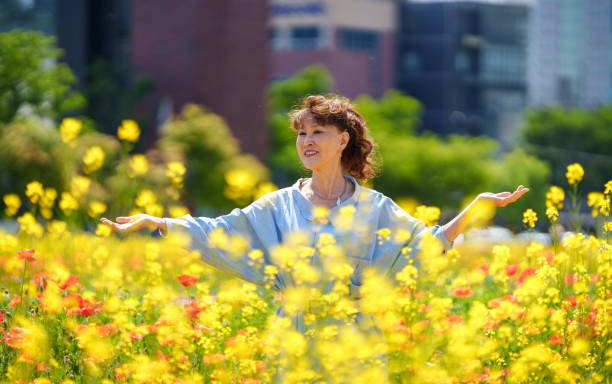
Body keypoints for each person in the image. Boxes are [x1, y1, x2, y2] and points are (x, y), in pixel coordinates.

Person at [100, 94, 529, 381]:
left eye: (317, 132)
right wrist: (158, 222)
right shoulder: (278, 205)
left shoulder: (376, 207)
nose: (306, 141)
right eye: (302, 133)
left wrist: (476, 209)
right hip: (295, 335)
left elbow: (424, 246)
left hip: (357, 340)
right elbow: (220, 232)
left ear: (342, 140)